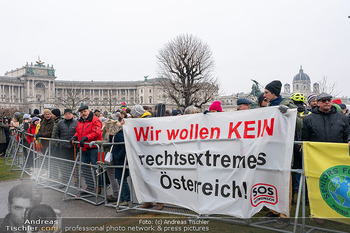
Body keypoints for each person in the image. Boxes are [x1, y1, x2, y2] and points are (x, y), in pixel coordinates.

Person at [262, 80, 302, 229]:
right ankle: (274, 209)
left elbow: (299, 125)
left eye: (267, 92)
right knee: (272, 181)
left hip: (283, 150)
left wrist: (288, 114)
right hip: (271, 149)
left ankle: (284, 215)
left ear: (274, 92)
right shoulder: (268, 106)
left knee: (285, 183)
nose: (264, 95)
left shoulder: (287, 103)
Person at [70, 105, 103, 193]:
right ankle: (90, 186)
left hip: (93, 148)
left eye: (84, 111)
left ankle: (98, 187)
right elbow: (78, 132)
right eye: (81, 112)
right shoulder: (80, 121)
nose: (83, 114)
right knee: (85, 168)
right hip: (84, 148)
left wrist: (86, 138)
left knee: (96, 168)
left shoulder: (95, 120)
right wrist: (74, 137)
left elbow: (96, 132)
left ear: (88, 111)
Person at [55, 109, 78, 186]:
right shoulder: (60, 123)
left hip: (73, 147)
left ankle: (76, 181)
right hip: (64, 147)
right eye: (66, 114)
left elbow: (79, 133)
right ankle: (65, 181)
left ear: (72, 114)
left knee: (75, 165)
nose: (68, 115)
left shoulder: (76, 122)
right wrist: (59, 142)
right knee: (64, 165)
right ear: (64, 115)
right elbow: (56, 133)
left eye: (69, 114)